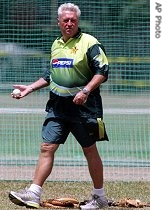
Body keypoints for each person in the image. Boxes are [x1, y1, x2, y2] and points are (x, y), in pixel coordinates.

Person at [9, 2, 110, 209]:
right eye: (65, 20)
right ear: (59, 22)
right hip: (58, 107)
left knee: (89, 150)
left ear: (77, 21)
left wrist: (85, 91)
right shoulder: (56, 44)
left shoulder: (89, 42)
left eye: (73, 20)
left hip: (84, 107)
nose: (69, 23)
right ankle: (33, 193)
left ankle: (99, 197)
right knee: (47, 147)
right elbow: (50, 75)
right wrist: (29, 88)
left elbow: (103, 71)